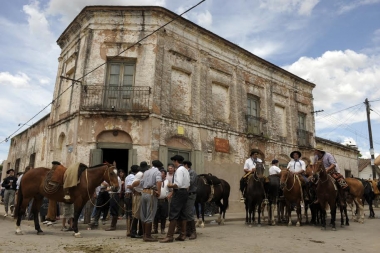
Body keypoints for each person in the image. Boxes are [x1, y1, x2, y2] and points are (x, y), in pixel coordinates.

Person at [160, 155, 190, 243]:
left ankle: (169, 236)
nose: (173, 163)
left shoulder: (179, 170)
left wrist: (169, 185)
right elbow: (188, 184)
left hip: (179, 192)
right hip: (185, 192)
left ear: (176, 161)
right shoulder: (185, 170)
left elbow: (178, 184)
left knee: (173, 213)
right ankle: (183, 234)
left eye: (173, 161)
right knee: (183, 214)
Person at [138, 160, 162, 242]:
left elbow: (141, 183)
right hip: (151, 193)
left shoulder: (146, 172)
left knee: (144, 214)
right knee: (150, 213)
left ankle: (144, 234)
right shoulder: (157, 172)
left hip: (144, 192)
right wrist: (158, 192)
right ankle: (147, 236)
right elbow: (159, 182)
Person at [129, 161, 149, 238]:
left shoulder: (142, 174)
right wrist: (141, 181)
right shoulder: (140, 174)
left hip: (142, 194)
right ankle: (133, 232)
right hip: (139, 195)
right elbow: (133, 184)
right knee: (137, 213)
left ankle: (140, 231)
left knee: (141, 214)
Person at [183, 161, 198, 240]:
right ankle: (188, 231)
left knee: (189, 212)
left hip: (191, 194)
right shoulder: (185, 172)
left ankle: (193, 232)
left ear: (186, 165)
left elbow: (190, 182)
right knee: (185, 212)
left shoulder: (192, 172)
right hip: (186, 194)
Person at [153, 169, 169, 235]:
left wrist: (169, 195)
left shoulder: (167, 181)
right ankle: (155, 229)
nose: (161, 174)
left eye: (163, 173)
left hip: (164, 200)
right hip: (156, 200)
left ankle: (162, 229)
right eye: (160, 173)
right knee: (155, 215)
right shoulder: (155, 182)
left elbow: (172, 190)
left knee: (164, 215)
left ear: (165, 175)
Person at [124, 165, 139, 237]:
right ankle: (129, 230)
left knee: (128, 213)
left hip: (127, 195)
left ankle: (128, 230)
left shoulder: (127, 176)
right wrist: (135, 189)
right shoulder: (132, 177)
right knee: (131, 213)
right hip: (130, 195)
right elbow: (129, 186)